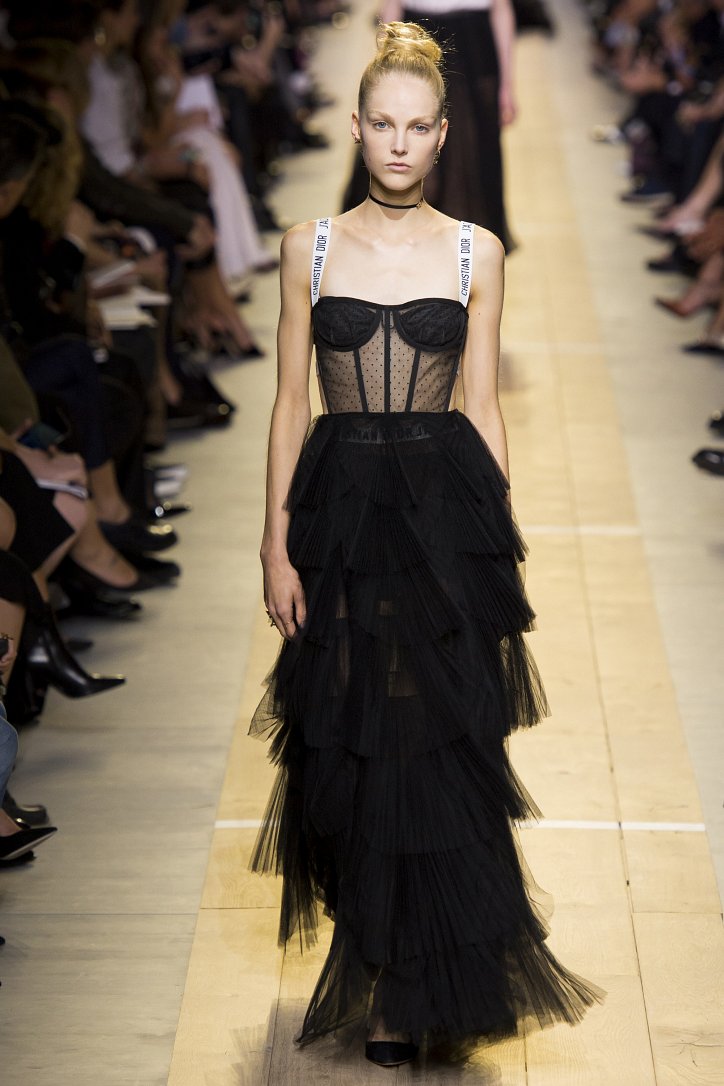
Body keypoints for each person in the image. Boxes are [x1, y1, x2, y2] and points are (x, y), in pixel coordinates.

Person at [250, 21, 602, 1068]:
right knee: (350, 740)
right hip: (340, 514)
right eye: (382, 125)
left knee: (438, 738)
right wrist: (274, 545)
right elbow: (288, 405)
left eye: (417, 127)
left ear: (443, 135)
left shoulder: (474, 250)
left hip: (444, 513)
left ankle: (419, 982)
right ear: (356, 128)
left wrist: (498, 543)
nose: (398, 144)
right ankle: (379, 960)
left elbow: (481, 405)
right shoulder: (309, 248)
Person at [342, 0, 519, 253]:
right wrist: (381, 76)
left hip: (476, 48)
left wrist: (507, 86)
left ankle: (465, 253)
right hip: (415, 39)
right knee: (403, 142)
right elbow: (391, 6)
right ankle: (398, 243)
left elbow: (501, 9)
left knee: (473, 159)